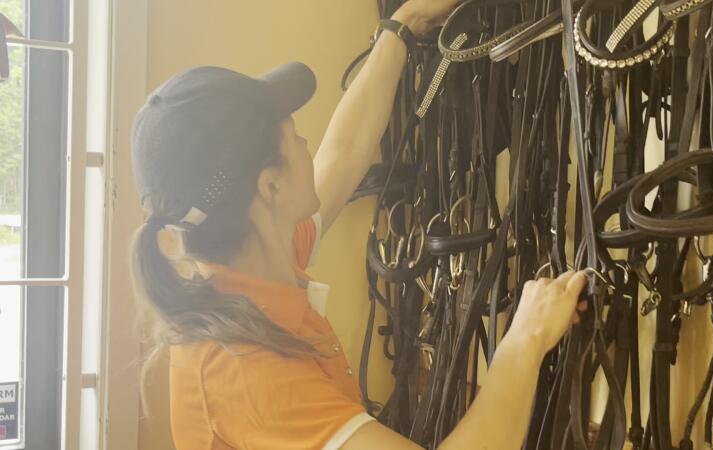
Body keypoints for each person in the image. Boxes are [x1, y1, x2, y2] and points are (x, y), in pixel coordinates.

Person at [130, 0, 588, 448]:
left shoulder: (253, 269)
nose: (307, 144)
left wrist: (404, 24)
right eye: (294, 137)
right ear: (269, 187)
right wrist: (526, 338)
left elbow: (345, 151)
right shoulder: (245, 370)